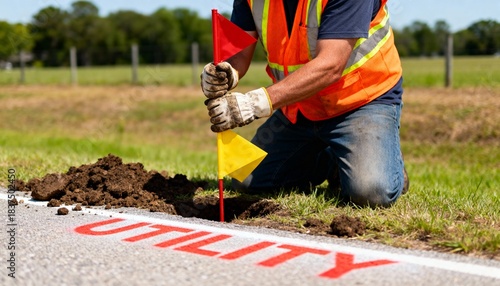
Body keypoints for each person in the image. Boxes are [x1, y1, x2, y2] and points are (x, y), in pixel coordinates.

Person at [201, 0, 409, 208]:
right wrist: (227, 72)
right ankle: (334, 159)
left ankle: (385, 162)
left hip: (361, 101)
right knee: (244, 178)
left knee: (369, 192)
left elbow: (330, 65)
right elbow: (239, 51)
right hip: (299, 106)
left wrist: (255, 104)